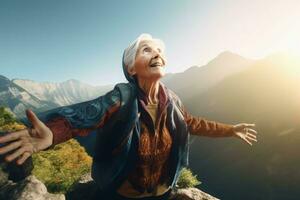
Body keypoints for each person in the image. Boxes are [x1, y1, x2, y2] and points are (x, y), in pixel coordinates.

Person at [0, 34, 258, 200]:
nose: (157, 53)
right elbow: (87, 114)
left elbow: (193, 123)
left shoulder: (174, 100)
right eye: (147, 50)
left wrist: (230, 129)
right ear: (131, 68)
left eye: (159, 49)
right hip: (122, 194)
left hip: (162, 192)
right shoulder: (121, 97)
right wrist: (53, 132)